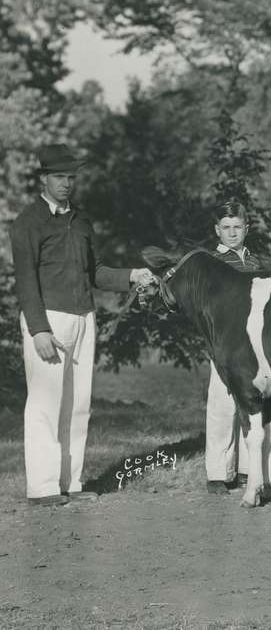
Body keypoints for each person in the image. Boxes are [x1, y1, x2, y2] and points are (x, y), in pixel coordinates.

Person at [11, 144, 155, 506]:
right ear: (43, 179)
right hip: (49, 320)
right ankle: (43, 488)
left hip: (83, 317)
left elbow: (98, 273)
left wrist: (133, 276)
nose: (67, 184)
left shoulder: (82, 220)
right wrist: (38, 329)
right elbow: (26, 280)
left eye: (71, 177)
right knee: (45, 404)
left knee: (77, 405)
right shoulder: (28, 222)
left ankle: (70, 483)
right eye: (60, 177)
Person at [204, 200, 269, 495]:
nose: (232, 233)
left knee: (253, 404)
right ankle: (218, 472)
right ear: (217, 230)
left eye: (237, 227)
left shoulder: (255, 263)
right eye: (226, 228)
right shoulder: (211, 264)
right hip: (224, 343)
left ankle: (247, 469)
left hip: (255, 345)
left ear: (247, 228)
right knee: (222, 405)